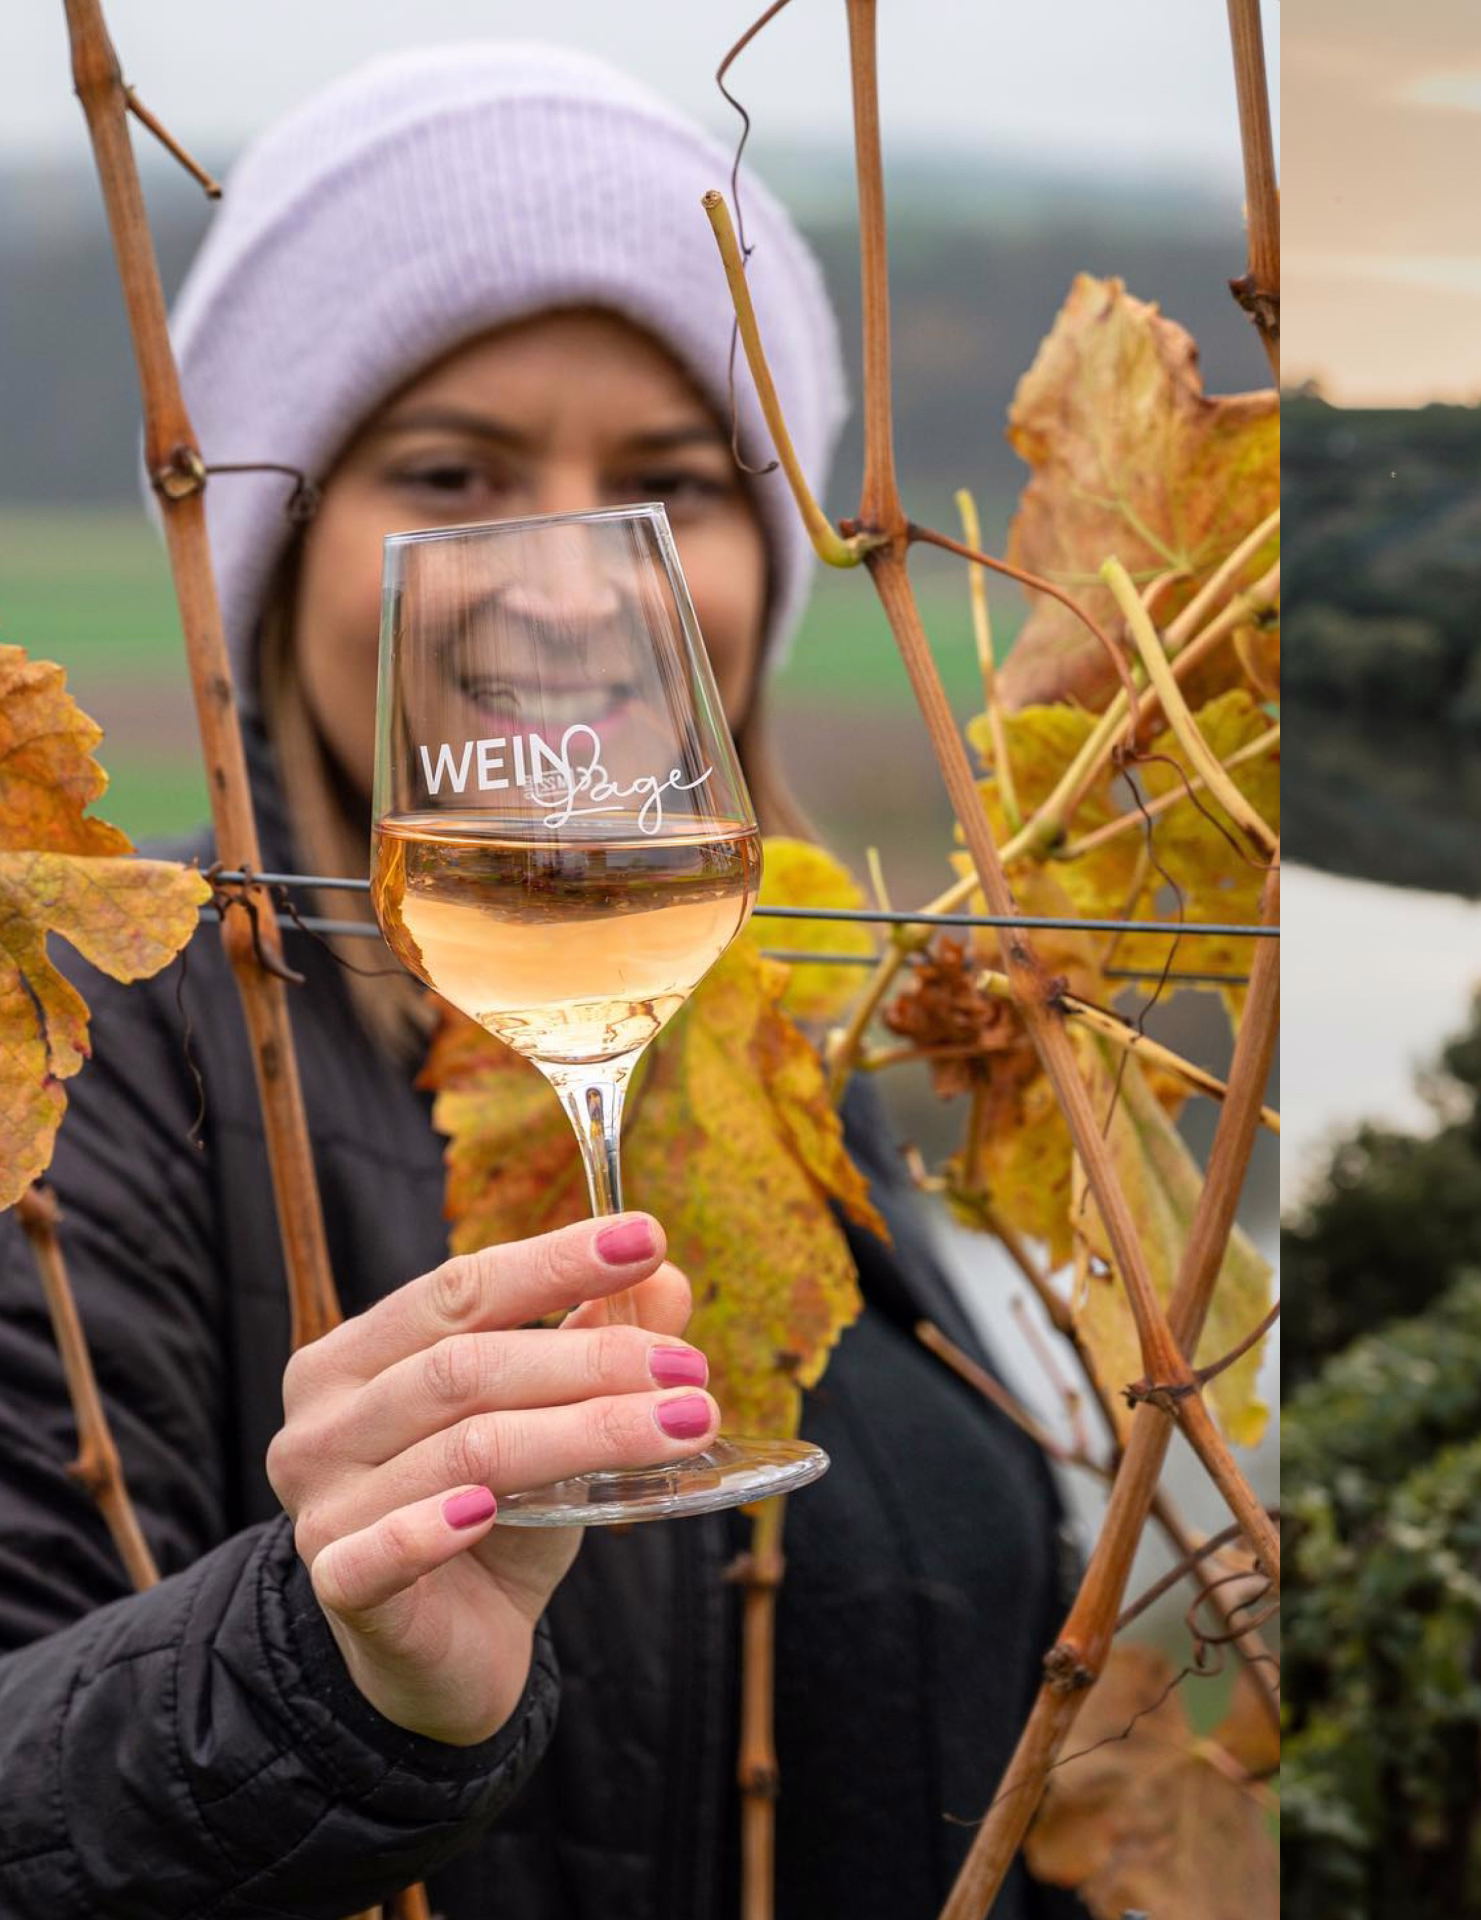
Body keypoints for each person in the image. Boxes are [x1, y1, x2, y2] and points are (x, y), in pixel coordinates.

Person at [0, 44, 1079, 1920]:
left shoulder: (786, 1034)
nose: (568, 590)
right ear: (277, 549)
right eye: (449, 475)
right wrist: (312, 1673)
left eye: (664, 488)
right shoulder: (77, 1054)